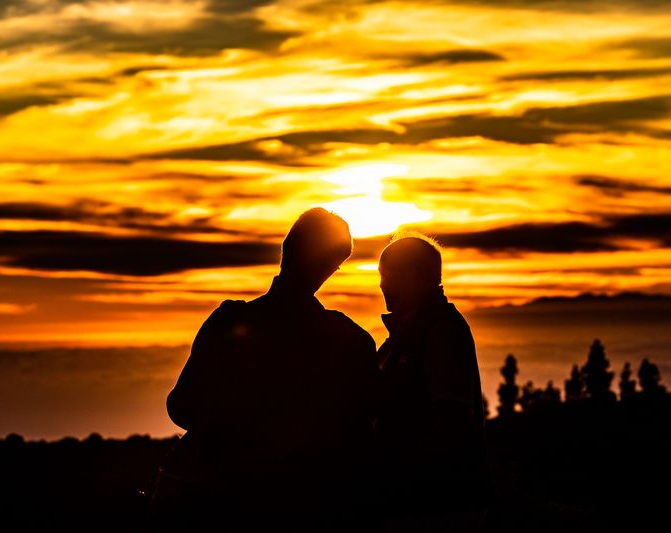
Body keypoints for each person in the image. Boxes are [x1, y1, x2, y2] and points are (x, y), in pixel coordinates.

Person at [157, 208, 378, 531]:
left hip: (224, 511)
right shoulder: (350, 340)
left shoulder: (227, 323)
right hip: (314, 512)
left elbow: (182, 407)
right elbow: (362, 437)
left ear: (285, 249)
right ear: (331, 268)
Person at [374, 233, 495, 532]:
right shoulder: (405, 335)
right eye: (381, 275)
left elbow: (450, 420)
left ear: (419, 277)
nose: (382, 284)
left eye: (389, 275)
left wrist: (398, 476)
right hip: (417, 501)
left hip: (438, 505)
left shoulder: (441, 332)